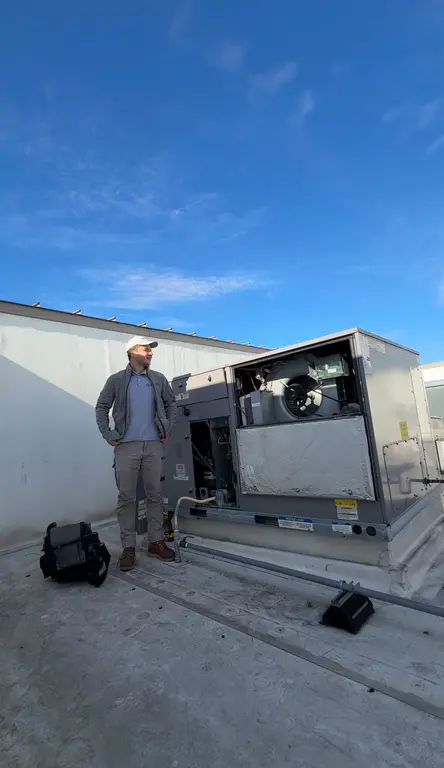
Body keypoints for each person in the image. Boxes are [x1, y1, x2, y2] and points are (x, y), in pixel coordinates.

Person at [95, 336, 178, 571]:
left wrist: (167, 426)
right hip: (126, 446)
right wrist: (107, 433)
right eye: (145, 349)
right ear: (132, 352)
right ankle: (128, 547)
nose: (150, 353)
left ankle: (155, 541)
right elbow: (101, 406)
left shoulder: (159, 379)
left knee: (155, 495)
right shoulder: (117, 380)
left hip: (153, 444)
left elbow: (171, 404)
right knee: (127, 498)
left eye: (151, 349)